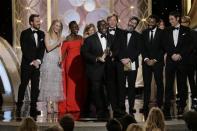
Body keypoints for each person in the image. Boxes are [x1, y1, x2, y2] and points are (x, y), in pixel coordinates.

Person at [163, 11, 192, 119]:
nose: (170, 21)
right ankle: (166, 106)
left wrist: (180, 54)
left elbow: (189, 45)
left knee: (182, 84)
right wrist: (172, 54)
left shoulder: (186, 30)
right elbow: (164, 44)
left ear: (177, 19)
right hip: (171, 61)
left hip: (182, 61)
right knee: (169, 84)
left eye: (172, 19)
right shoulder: (166, 31)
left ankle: (181, 105)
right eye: (169, 19)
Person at [16, 14, 45, 119]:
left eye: (39, 21)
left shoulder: (42, 34)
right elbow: (24, 49)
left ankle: (33, 108)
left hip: (37, 65)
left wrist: (38, 61)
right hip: (27, 65)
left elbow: (42, 49)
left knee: (35, 87)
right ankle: (18, 106)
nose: (39, 23)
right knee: (23, 85)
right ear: (31, 22)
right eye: (37, 21)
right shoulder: (25, 33)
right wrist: (32, 61)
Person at [81, 20, 109, 119]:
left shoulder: (110, 37)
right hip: (95, 69)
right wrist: (96, 58)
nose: (104, 27)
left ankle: (105, 110)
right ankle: (100, 111)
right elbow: (84, 53)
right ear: (98, 26)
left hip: (108, 69)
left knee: (106, 90)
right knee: (96, 91)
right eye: (101, 25)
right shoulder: (90, 39)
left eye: (105, 25)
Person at [58, 21, 87, 116]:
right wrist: (59, 65)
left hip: (80, 63)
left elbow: (85, 51)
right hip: (70, 64)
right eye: (74, 27)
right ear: (70, 28)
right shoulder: (67, 40)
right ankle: (71, 106)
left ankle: (79, 105)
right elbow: (62, 54)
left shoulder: (81, 38)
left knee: (79, 85)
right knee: (71, 86)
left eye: (77, 27)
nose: (76, 28)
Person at [38, 19, 65, 113]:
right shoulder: (47, 34)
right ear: (52, 25)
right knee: (48, 82)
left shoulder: (59, 36)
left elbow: (59, 49)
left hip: (56, 61)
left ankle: (54, 103)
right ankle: (48, 104)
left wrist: (61, 58)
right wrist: (58, 42)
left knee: (55, 83)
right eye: (56, 25)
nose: (57, 27)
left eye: (59, 26)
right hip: (49, 60)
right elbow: (48, 48)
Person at [140, 15, 165, 118]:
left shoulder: (162, 33)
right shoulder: (144, 33)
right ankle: (145, 105)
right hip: (146, 63)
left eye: (153, 21)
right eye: (149, 20)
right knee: (146, 85)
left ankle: (159, 105)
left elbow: (163, 48)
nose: (150, 22)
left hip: (157, 62)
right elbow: (142, 47)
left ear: (156, 23)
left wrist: (154, 60)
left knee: (159, 84)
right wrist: (146, 59)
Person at [117, 16, 141, 116]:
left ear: (136, 25)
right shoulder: (120, 33)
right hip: (121, 62)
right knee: (121, 86)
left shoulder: (138, 36)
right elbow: (116, 47)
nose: (132, 24)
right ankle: (122, 106)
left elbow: (138, 50)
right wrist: (122, 59)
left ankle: (131, 107)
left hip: (131, 62)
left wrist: (129, 59)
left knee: (131, 86)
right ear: (128, 21)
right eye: (131, 21)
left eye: (134, 23)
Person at [106, 14, 126, 118]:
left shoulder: (122, 32)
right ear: (108, 21)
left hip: (119, 62)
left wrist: (114, 54)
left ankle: (122, 106)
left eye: (114, 20)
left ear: (117, 21)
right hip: (108, 63)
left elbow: (123, 47)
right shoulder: (104, 32)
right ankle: (114, 106)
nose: (113, 22)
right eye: (110, 20)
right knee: (111, 85)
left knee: (121, 84)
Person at [181, 16, 197, 111]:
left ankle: (194, 98)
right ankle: (183, 99)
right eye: (182, 22)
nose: (183, 24)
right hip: (181, 61)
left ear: (189, 23)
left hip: (191, 61)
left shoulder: (194, 33)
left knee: (192, 80)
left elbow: (195, 46)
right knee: (182, 81)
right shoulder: (179, 33)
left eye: (185, 22)